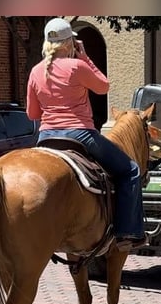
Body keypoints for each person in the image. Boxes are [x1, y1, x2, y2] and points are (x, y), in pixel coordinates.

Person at [26, 17, 145, 251]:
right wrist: (85, 57)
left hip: (46, 138)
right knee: (130, 170)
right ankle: (127, 232)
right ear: (70, 42)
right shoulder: (78, 67)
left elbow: (32, 113)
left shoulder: (36, 71)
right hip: (80, 135)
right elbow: (104, 86)